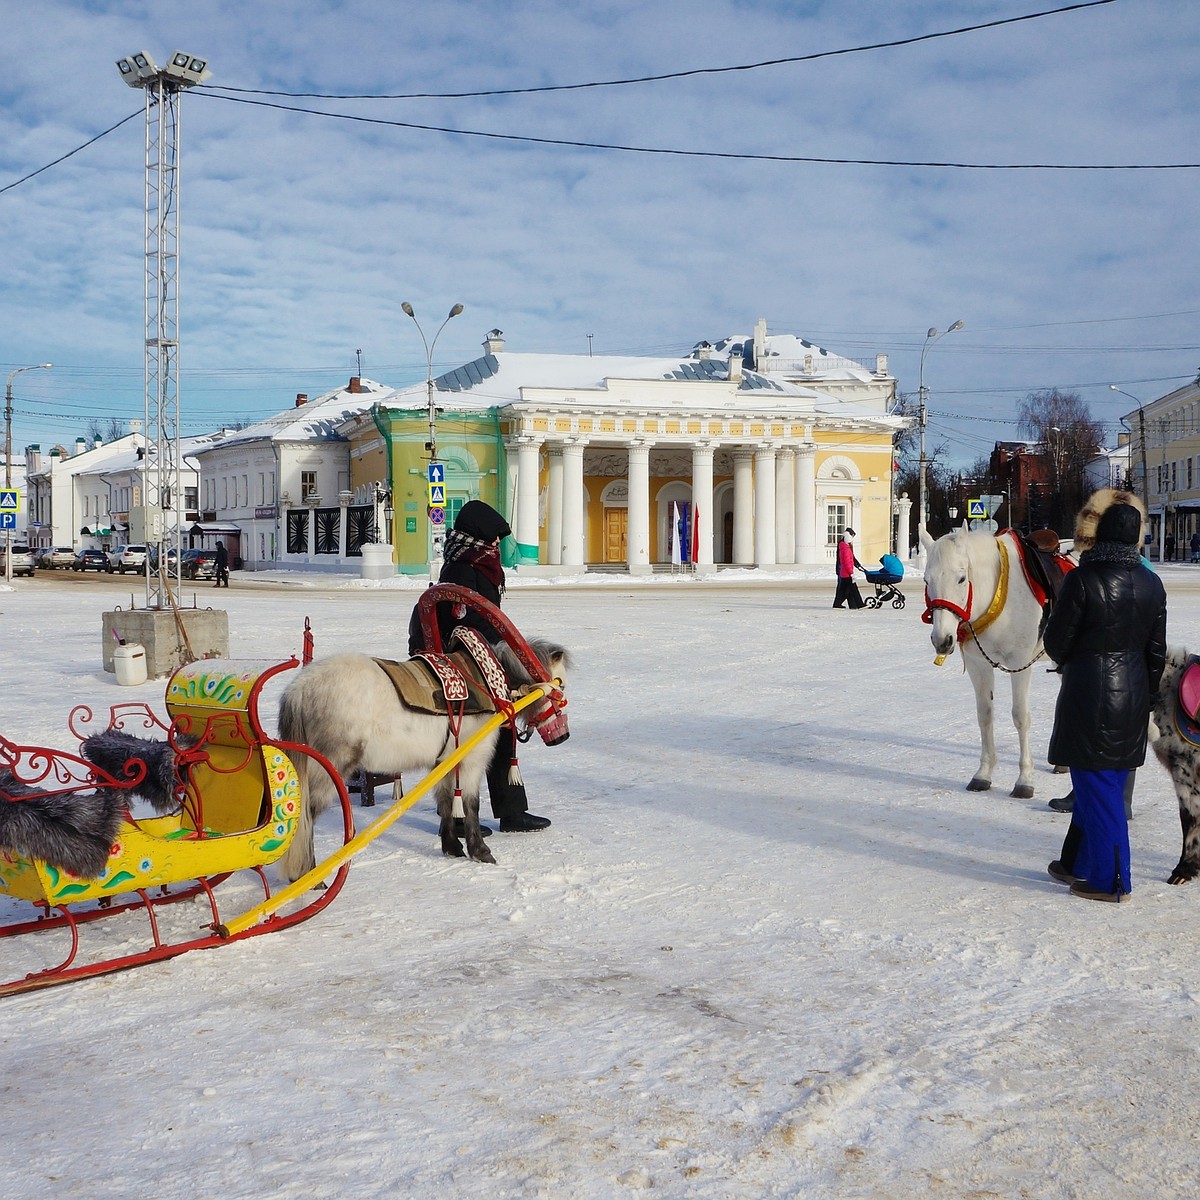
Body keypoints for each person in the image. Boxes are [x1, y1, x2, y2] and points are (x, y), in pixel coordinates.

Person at [1044, 490, 1166, 902]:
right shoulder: (1152, 583)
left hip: (1090, 694)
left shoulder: (1083, 578)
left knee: (1099, 791)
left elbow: (1057, 643)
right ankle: (1075, 863)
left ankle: (1111, 880)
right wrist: (1146, 698)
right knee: (1103, 785)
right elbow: (1156, 653)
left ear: (1099, 536)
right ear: (1135, 540)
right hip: (1132, 695)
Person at [407, 499, 551, 834]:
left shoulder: (478, 562)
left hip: (481, 656)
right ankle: (459, 815)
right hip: (460, 661)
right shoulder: (463, 567)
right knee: (465, 739)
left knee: (501, 728)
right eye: (494, 538)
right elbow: (468, 619)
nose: (497, 544)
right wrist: (506, 648)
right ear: (479, 536)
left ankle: (511, 811)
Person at [832, 527, 865, 609]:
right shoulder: (844, 546)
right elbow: (846, 559)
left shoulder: (846, 545)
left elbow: (851, 557)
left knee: (846, 588)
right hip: (843, 569)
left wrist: (857, 564)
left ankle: (847, 604)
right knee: (847, 587)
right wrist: (850, 571)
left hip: (844, 568)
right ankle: (857, 604)